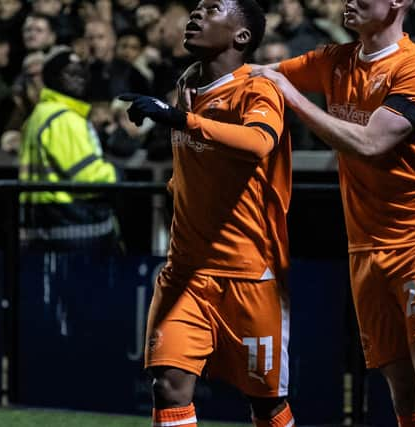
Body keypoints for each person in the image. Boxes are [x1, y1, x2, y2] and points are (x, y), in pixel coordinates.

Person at [251, 0, 415, 425]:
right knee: (403, 390)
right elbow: (263, 77)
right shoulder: (335, 60)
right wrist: (208, 81)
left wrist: (294, 99)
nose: (348, 1)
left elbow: (371, 143)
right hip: (366, 246)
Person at [119, 0, 295, 426]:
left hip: (249, 273)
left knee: (265, 404)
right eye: (195, 9)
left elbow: (257, 143)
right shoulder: (187, 84)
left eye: (213, 10)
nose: (196, 16)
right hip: (186, 272)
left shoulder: (257, 89)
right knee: (168, 385)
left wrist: (181, 120)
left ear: (241, 36)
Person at [19, 46, 121, 252]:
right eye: (71, 73)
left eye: (82, 72)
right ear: (54, 78)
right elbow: (87, 176)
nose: (80, 79)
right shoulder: (63, 118)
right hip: (74, 227)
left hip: (42, 225)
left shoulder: (39, 114)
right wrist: (118, 174)